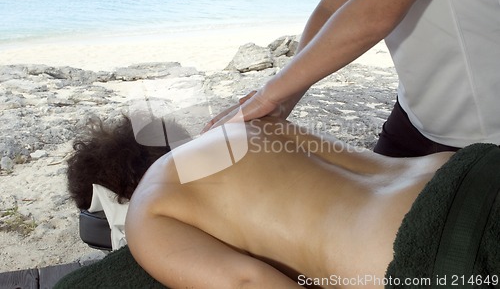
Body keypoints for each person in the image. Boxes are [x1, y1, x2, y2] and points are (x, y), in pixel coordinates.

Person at [66, 115, 499, 288]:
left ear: (114, 200)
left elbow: (247, 283)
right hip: (472, 171)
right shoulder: (248, 128)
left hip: (439, 251)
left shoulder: (148, 210)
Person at [204, 0, 500, 157]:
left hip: (488, 132)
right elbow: (333, 6)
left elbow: (376, 12)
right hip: (416, 116)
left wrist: (270, 93)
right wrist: (283, 100)